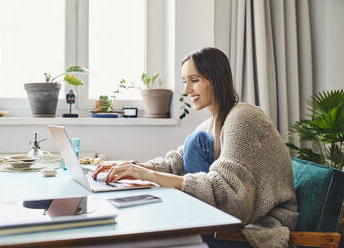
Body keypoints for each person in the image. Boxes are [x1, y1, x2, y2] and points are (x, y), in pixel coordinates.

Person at [93, 47, 298, 248]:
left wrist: (147, 176)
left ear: (216, 79)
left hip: (262, 221)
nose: (186, 90)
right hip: (240, 215)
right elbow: (176, 161)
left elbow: (235, 202)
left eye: (194, 80)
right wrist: (132, 167)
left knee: (157, 229)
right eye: (185, 82)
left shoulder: (243, 117)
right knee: (194, 143)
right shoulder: (213, 123)